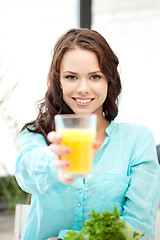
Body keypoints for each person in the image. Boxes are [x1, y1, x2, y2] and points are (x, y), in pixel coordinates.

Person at [15, 28, 160, 240]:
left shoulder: (137, 140)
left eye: (94, 76)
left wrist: (68, 239)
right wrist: (53, 161)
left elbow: (139, 227)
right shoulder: (37, 134)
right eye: (71, 77)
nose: (83, 88)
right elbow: (27, 174)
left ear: (109, 81)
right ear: (59, 81)